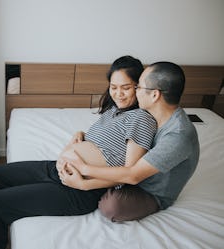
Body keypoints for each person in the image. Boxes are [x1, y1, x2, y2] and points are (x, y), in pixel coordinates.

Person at [0, 55, 157, 249]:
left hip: (78, 189)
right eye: (114, 87)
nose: (118, 94)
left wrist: (83, 184)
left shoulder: (141, 119)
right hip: (59, 168)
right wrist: (82, 135)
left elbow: (128, 174)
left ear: (139, 87)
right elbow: (109, 144)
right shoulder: (114, 110)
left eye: (126, 87)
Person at [60, 61, 200, 222]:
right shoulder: (154, 114)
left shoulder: (178, 135)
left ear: (154, 95)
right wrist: (83, 135)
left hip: (150, 190)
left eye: (138, 87)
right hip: (135, 174)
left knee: (111, 207)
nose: (135, 92)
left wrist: (84, 170)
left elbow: (133, 175)